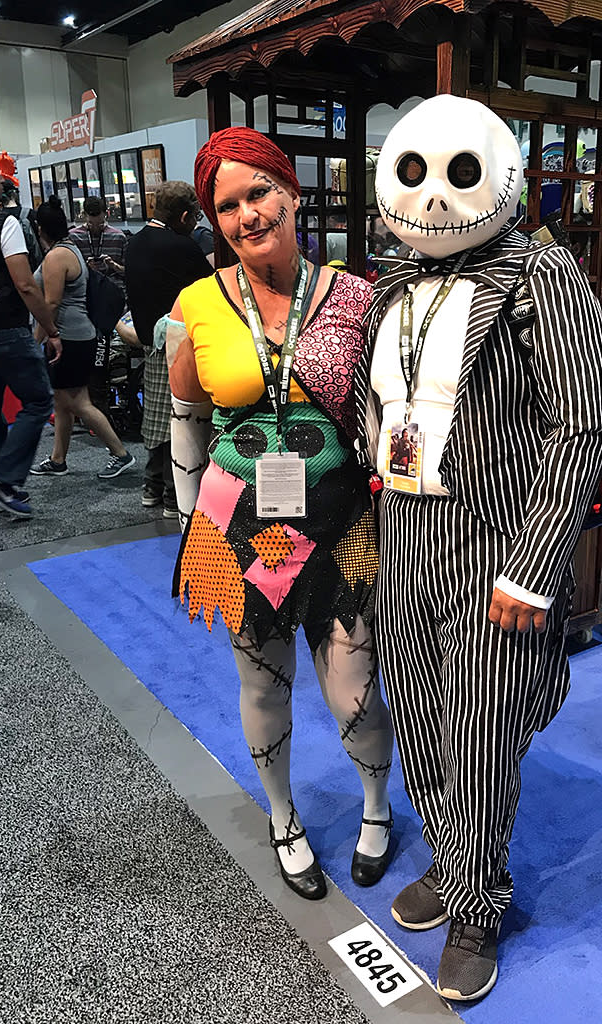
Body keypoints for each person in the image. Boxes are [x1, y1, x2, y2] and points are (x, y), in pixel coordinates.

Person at [355, 95, 602, 1001]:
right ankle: (456, 858)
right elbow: (374, 413)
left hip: (495, 537)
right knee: (421, 710)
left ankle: (478, 900)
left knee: (480, 726)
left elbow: (579, 428)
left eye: (459, 173)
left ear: (498, 172)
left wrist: (535, 565)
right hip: (406, 530)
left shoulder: (541, 276)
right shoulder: (389, 281)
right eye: (416, 173)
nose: (432, 196)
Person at [165, 127, 394, 900]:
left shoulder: (358, 296)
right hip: (238, 527)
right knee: (263, 683)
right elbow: (186, 417)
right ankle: (283, 817)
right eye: (225, 205)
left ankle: (374, 808)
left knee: (353, 682)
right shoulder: (195, 303)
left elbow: (387, 413)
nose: (246, 215)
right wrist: (192, 523)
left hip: (342, 523)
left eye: (257, 192)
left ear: (290, 191)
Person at [0, 144, 60, 519]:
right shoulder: (3, 222)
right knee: (39, 401)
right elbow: (26, 284)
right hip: (7, 327)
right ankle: (6, 480)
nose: (1, 178)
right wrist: (50, 327)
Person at [29, 196, 136, 480]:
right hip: (73, 336)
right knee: (63, 401)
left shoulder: (57, 256)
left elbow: (50, 305)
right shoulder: (69, 249)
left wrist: (36, 340)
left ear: (40, 228)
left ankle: (121, 454)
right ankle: (58, 459)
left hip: (70, 339)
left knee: (79, 402)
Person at [124, 181, 213, 518]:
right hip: (179, 341)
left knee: (158, 419)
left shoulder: (134, 243)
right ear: (185, 215)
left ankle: (152, 487)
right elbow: (213, 289)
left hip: (149, 343)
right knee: (184, 419)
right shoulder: (182, 247)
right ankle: (174, 496)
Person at [70, 196, 128, 416]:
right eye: (91, 222)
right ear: (84, 216)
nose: (95, 226)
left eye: (100, 221)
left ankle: (115, 398)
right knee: (88, 352)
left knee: (115, 349)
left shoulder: (118, 237)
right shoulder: (74, 237)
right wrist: (84, 267)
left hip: (114, 300)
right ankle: (89, 402)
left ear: (106, 214)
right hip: (85, 300)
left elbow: (128, 271)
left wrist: (113, 265)